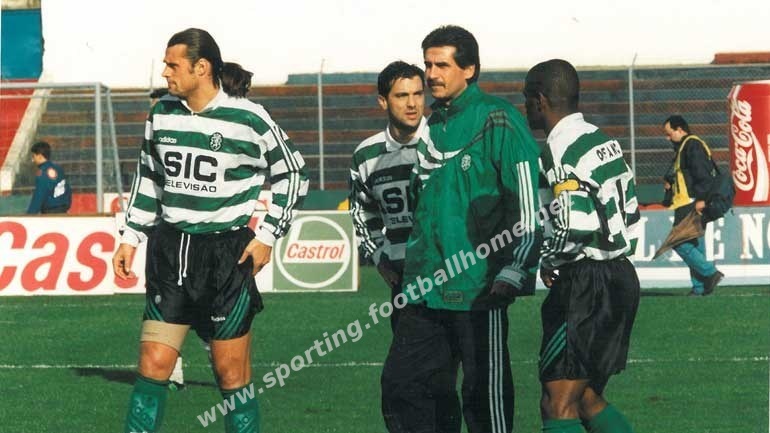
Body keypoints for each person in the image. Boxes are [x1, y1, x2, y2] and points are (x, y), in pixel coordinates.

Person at [113, 28, 308, 433]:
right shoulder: (162, 112)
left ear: (201, 68)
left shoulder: (248, 117)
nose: (165, 73)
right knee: (153, 363)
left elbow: (293, 172)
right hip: (171, 252)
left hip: (225, 256)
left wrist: (267, 236)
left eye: (173, 65)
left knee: (230, 373)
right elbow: (148, 177)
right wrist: (131, 236)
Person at [381, 25, 543, 433]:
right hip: (422, 289)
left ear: (469, 69)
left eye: (442, 65)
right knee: (404, 389)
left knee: (484, 402)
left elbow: (528, 208)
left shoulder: (498, 118)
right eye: (427, 65)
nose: (431, 75)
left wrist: (515, 268)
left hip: (478, 290)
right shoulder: (432, 124)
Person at [524, 59, 641, 433]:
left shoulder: (559, 148)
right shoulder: (603, 140)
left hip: (586, 284)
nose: (526, 108)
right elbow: (631, 212)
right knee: (586, 398)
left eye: (527, 100)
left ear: (540, 100)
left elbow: (574, 222)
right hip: (620, 274)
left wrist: (549, 259)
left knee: (557, 404)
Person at [349, 61, 426, 332]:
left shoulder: (444, 142)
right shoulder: (366, 155)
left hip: (454, 273)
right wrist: (379, 254)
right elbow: (361, 211)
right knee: (407, 359)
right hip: (403, 281)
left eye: (418, 94)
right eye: (402, 95)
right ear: (383, 101)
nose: (412, 104)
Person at [662, 115, 724, 295]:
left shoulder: (692, 145)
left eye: (669, 133)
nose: (667, 138)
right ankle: (699, 287)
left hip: (689, 202)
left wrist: (702, 199)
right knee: (695, 243)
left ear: (680, 129)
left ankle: (710, 273)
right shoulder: (686, 146)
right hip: (690, 201)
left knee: (678, 242)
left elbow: (702, 175)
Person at [26, 141, 72, 214]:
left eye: (34, 156)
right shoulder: (59, 169)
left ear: (40, 156)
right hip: (63, 211)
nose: (33, 160)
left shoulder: (42, 173)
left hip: (50, 214)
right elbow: (68, 190)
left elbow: (39, 196)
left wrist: (30, 215)